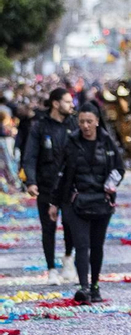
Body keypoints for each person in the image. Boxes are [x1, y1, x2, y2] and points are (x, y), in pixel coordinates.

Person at [53, 104, 124, 305]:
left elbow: (119, 168)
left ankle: (95, 285)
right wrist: (55, 203)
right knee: (81, 245)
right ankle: (84, 287)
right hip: (77, 201)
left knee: (97, 245)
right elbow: (62, 173)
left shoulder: (107, 142)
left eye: (89, 121)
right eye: (82, 122)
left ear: (97, 122)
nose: (85, 126)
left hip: (102, 201)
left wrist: (111, 185)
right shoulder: (71, 142)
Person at [19, 88, 74, 284]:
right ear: (56, 104)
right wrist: (31, 181)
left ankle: (68, 259)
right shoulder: (40, 127)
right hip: (46, 185)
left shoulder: (74, 124)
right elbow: (30, 156)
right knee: (48, 227)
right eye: (67, 102)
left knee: (70, 225)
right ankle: (51, 269)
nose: (71, 105)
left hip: (69, 185)